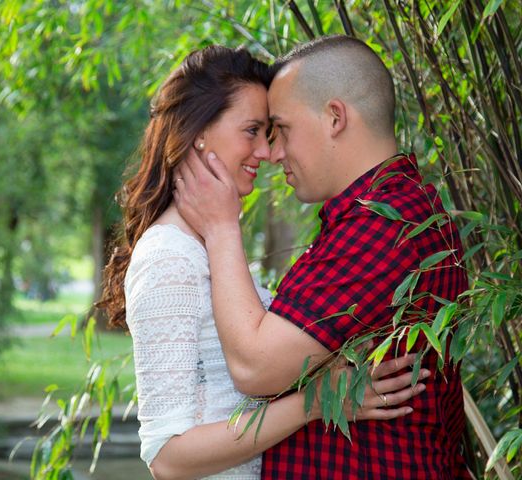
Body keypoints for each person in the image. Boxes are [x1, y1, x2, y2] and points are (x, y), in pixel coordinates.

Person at [97, 45, 429, 480]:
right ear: (197, 132)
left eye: (271, 131)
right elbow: (167, 457)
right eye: (253, 130)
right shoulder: (168, 256)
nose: (268, 152)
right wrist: (315, 403)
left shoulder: (213, 248)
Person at [174, 36, 471, 479]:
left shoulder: (380, 228)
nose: (273, 153)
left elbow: (254, 368)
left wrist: (221, 227)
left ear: (335, 117)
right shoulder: (407, 211)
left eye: (282, 129)